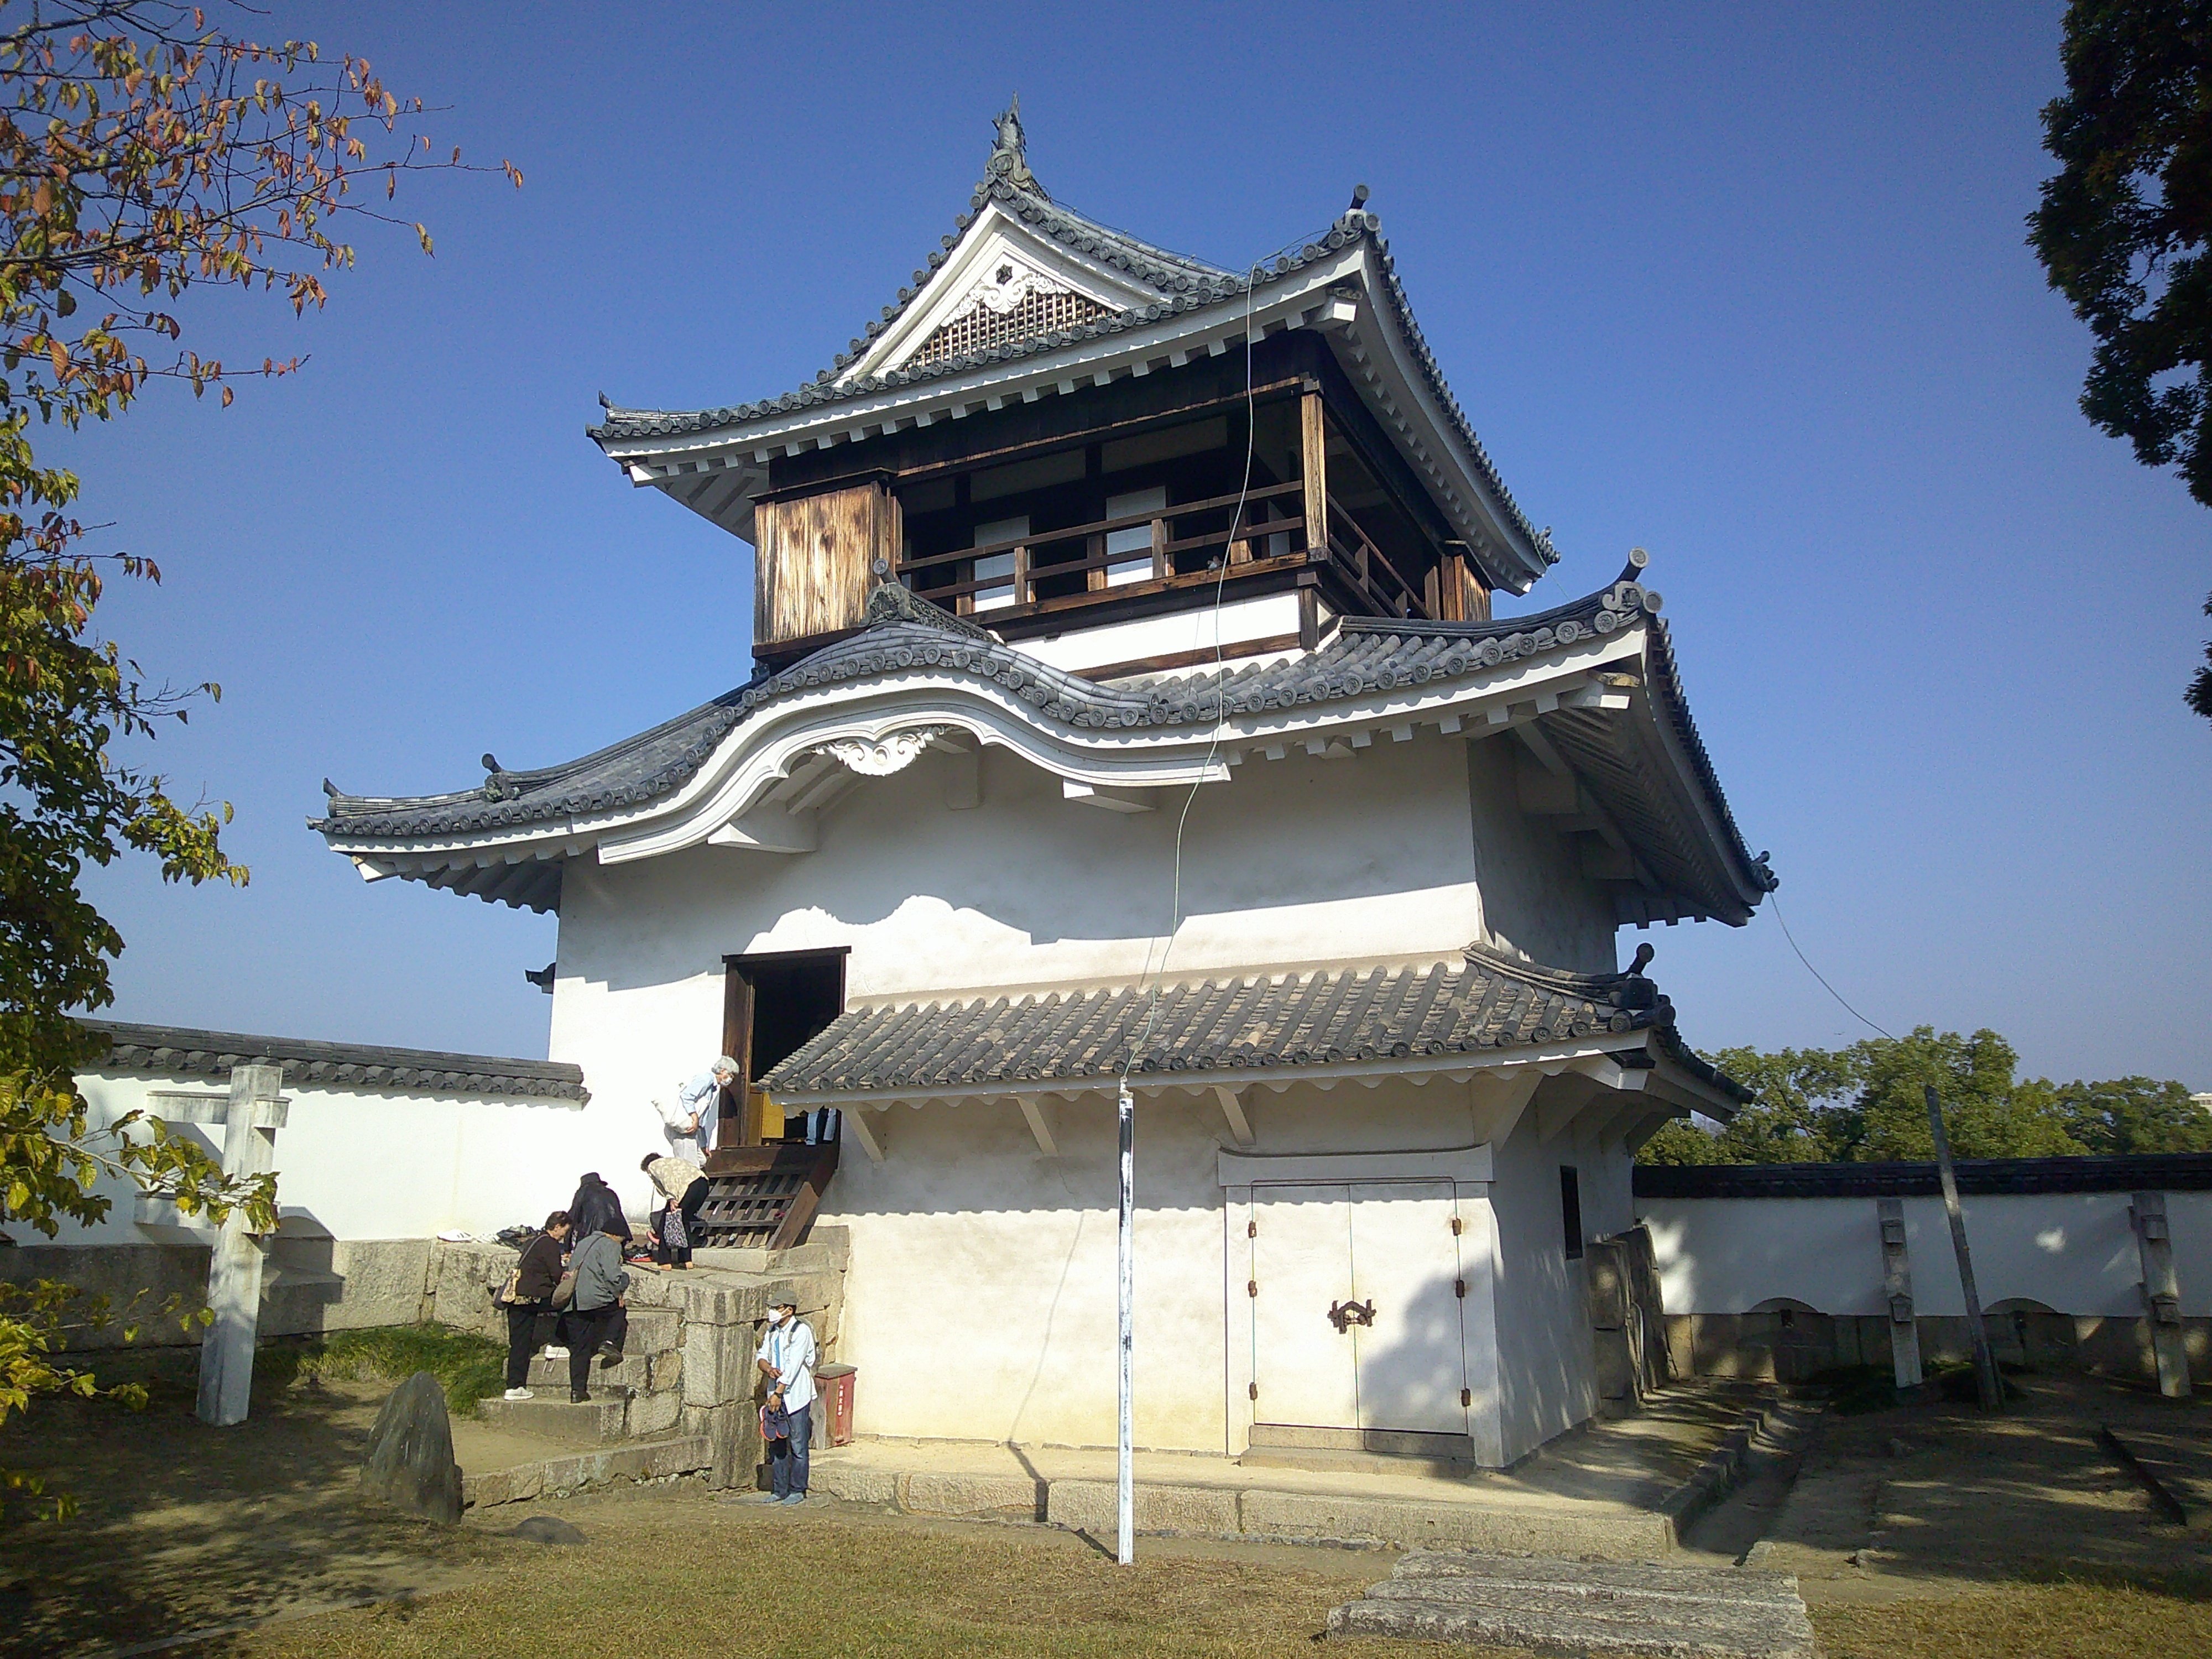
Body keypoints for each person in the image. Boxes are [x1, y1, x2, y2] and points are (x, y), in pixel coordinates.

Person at [557, 1216, 630, 1403]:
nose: (621, 1244)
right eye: (622, 1240)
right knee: (618, 1312)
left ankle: (577, 1391)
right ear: (616, 1235)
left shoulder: (583, 1243)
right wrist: (619, 1293)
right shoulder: (610, 1245)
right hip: (596, 1301)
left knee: (580, 1348)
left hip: (574, 1302)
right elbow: (612, 1276)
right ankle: (609, 1342)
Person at [500, 1211, 572, 1400]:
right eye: (564, 1232)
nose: (564, 1236)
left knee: (518, 1343)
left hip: (516, 1297)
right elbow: (556, 1273)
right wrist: (567, 1273)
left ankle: (513, 1386)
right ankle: (556, 1344)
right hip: (531, 1297)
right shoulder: (549, 1244)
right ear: (557, 1227)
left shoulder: (534, 1240)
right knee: (565, 1303)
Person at [755, 1296, 817, 1504]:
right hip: (775, 1394)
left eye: (777, 1308)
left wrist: (779, 1394)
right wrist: (768, 1368)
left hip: (795, 1396)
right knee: (777, 1443)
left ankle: (797, 1489)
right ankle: (779, 1489)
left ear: (789, 1310)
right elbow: (762, 1355)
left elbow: (793, 1366)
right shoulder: (772, 1331)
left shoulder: (801, 1331)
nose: (772, 1311)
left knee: (798, 1445)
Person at [658, 1057, 737, 1165]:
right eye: (731, 1075)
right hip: (685, 1130)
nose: (730, 1079)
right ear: (722, 1071)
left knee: (702, 1161)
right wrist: (694, 1117)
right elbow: (686, 1096)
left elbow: (702, 1123)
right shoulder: (706, 1079)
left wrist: (704, 1146)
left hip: (691, 1132)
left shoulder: (711, 1088)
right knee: (688, 1166)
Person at [640, 1151, 709, 1270]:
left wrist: (671, 1197)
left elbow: (667, 1177)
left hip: (687, 1189)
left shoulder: (655, 1165)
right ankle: (686, 1260)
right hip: (703, 1185)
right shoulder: (674, 1161)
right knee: (683, 1221)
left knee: (665, 1223)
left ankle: (665, 1262)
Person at [566, 1171, 630, 1247]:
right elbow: (619, 1215)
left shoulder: (583, 1192)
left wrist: (567, 1246)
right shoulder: (611, 1193)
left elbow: (573, 1217)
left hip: (590, 1236)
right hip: (614, 1235)